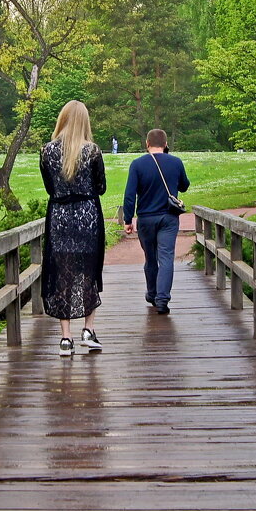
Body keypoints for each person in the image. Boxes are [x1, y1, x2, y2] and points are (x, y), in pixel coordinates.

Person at [40, 101, 107, 357]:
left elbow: (50, 188)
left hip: (59, 218)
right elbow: (100, 186)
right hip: (87, 218)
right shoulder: (92, 151)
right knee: (88, 272)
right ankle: (88, 330)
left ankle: (65, 338)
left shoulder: (47, 151)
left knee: (62, 274)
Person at [122, 129, 190, 315]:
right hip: (168, 217)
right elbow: (184, 186)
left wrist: (128, 219)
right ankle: (162, 299)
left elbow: (129, 195)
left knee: (150, 258)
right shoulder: (175, 162)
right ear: (166, 143)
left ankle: (152, 293)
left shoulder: (137, 164)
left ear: (147, 143)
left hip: (146, 218)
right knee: (166, 257)